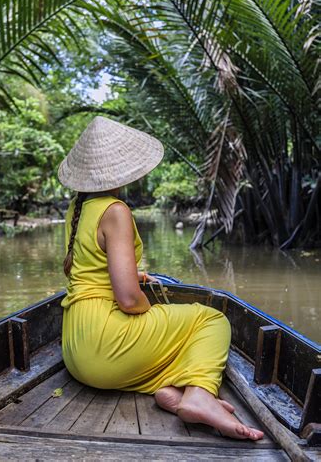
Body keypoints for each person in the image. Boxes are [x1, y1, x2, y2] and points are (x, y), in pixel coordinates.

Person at [57, 116, 264, 440]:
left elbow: (89, 265)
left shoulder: (77, 207)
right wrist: (146, 306)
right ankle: (198, 396)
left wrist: (132, 274)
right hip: (103, 346)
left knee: (168, 330)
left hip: (75, 349)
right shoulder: (116, 210)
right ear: (122, 169)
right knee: (210, 320)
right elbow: (127, 299)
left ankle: (172, 393)